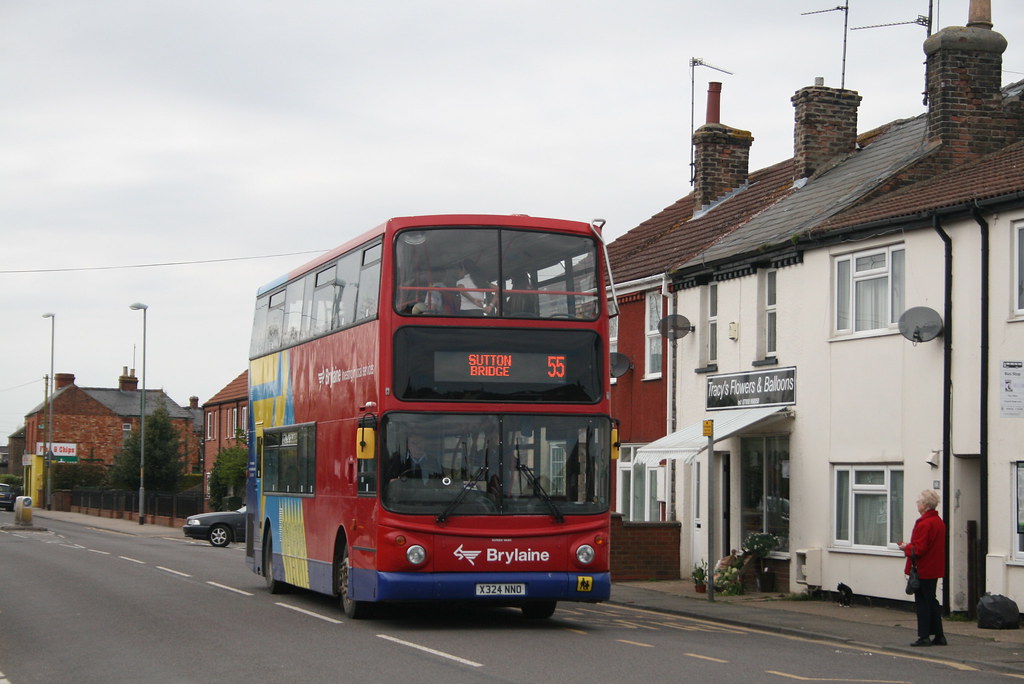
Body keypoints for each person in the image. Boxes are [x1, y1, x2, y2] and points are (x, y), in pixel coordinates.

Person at [898, 489, 946, 647]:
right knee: (931, 601)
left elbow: (919, 549)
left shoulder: (925, 523)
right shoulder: (938, 521)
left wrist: (906, 547)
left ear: (925, 505)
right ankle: (939, 636)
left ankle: (924, 636)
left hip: (923, 568)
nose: (917, 503)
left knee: (923, 603)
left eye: (919, 501)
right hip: (934, 567)